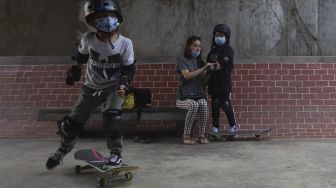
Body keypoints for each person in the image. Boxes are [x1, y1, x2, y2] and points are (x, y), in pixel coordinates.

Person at [46, 0, 135, 170]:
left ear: (118, 17)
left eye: (110, 15)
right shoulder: (88, 39)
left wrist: (124, 84)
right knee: (70, 124)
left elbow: (129, 70)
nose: (107, 20)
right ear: (92, 21)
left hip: (114, 87)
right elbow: (81, 57)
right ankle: (62, 151)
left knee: (112, 117)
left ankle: (116, 154)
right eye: (101, 16)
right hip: (91, 87)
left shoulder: (126, 43)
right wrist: (75, 72)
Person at [176, 36, 215, 145]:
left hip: (197, 95)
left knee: (203, 103)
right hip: (183, 98)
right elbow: (187, 76)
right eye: (195, 45)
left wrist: (210, 72)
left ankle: (201, 135)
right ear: (189, 46)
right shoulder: (182, 59)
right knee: (194, 105)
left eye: (199, 46)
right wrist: (203, 68)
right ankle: (186, 136)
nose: (198, 48)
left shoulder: (200, 61)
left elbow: (203, 82)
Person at [206, 24, 239, 133]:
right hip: (213, 83)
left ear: (226, 37)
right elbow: (207, 66)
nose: (218, 37)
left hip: (224, 83)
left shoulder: (228, 50)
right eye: (217, 35)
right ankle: (215, 127)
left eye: (221, 35)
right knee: (215, 104)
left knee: (225, 103)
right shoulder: (212, 52)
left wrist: (216, 65)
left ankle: (233, 126)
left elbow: (224, 61)